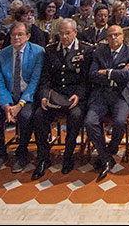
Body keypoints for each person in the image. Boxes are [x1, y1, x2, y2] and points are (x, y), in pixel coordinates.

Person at [31, 19, 92, 179]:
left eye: (68, 33)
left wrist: (78, 94)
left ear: (75, 33)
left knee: (76, 116)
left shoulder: (85, 51)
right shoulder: (51, 51)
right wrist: (44, 95)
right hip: (55, 96)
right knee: (38, 115)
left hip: (75, 96)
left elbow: (87, 79)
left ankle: (68, 156)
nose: (64, 37)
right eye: (62, 34)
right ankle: (43, 157)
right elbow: (45, 78)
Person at [0, 21, 44, 176]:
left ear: (28, 36)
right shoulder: (1, 55)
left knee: (26, 116)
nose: (16, 37)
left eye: (20, 34)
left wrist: (20, 104)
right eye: (13, 34)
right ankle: (0, 154)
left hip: (27, 97)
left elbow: (35, 81)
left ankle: (21, 153)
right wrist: (6, 105)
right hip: (7, 97)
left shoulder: (38, 52)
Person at [84, 25, 129, 181]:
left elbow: (128, 75)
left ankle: (110, 149)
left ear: (123, 36)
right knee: (90, 121)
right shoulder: (99, 52)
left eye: (117, 35)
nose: (114, 38)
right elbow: (92, 75)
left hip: (121, 95)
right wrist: (117, 73)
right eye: (110, 35)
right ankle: (106, 157)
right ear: (106, 38)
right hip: (101, 94)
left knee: (120, 121)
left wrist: (107, 72)